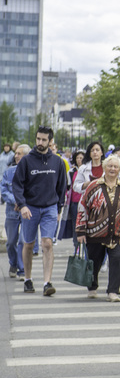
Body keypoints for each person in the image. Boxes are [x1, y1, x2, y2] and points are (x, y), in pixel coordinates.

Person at [12, 126, 67, 296]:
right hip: (30, 208)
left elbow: (62, 187)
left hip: (50, 208)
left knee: (47, 243)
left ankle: (47, 282)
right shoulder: (27, 161)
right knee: (28, 244)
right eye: (38, 139)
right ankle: (28, 279)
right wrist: (22, 205)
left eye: (44, 140)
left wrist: (58, 209)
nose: (40, 143)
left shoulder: (57, 162)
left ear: (50, 141)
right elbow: (17, 185)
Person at [76, 154, 120, 302]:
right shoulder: (94, 186)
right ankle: (92, 287)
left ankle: (112, 291)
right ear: (104, 168)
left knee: (117, 259)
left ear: (119, 169)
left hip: (117, 233)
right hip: (95, 233)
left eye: (115, 166)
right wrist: (80, 230)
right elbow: (82, 207)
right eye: (110, 166)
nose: (112, 169)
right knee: (94, 261)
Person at [2, 144, 30, 278]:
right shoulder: (9, 172)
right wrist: (17, 201)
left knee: (23, 241)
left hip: (27, 211)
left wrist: (23, 203)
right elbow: (3, 191)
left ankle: (21, 269)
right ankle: (13, 263)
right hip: (12, 211)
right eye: (16, 153)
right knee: (11, 241)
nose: (16, 155)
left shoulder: (32, 172)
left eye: (19, 153)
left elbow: (34, 191)